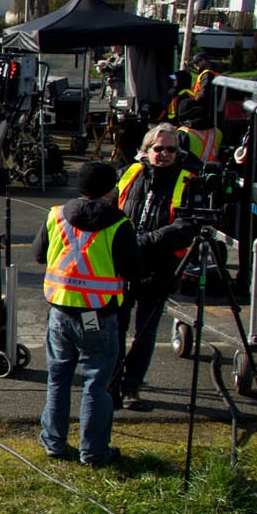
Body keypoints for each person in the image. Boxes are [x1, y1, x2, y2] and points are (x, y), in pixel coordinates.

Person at [35, 161, 141, 466]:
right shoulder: (120, 224)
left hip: (60, 310)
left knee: (58, 378)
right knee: (96, 383)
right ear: (112, 189)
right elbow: (133, 269)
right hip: (97, 314)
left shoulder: (57, 215)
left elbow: (40, 253)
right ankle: (93, 451)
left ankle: (54, 441)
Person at [110, 125, 199, 410]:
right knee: (116, 327)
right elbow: (113, 206)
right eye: (158, 148)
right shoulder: (131, 172)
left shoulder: (188, 180)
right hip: (123, 266)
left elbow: (185, 227)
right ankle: (112, 383)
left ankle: (131, 386)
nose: (164, 154)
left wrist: (142, 242)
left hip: (159, 268)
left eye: (171, 149)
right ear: (146, 151)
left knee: (144, 333)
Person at [167, 50, 220, 163]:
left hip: (187, 125)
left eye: (197, 63)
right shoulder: (217, 132)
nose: (196, 66)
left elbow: (203, 96)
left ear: (203, 61)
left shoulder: (184, 95)